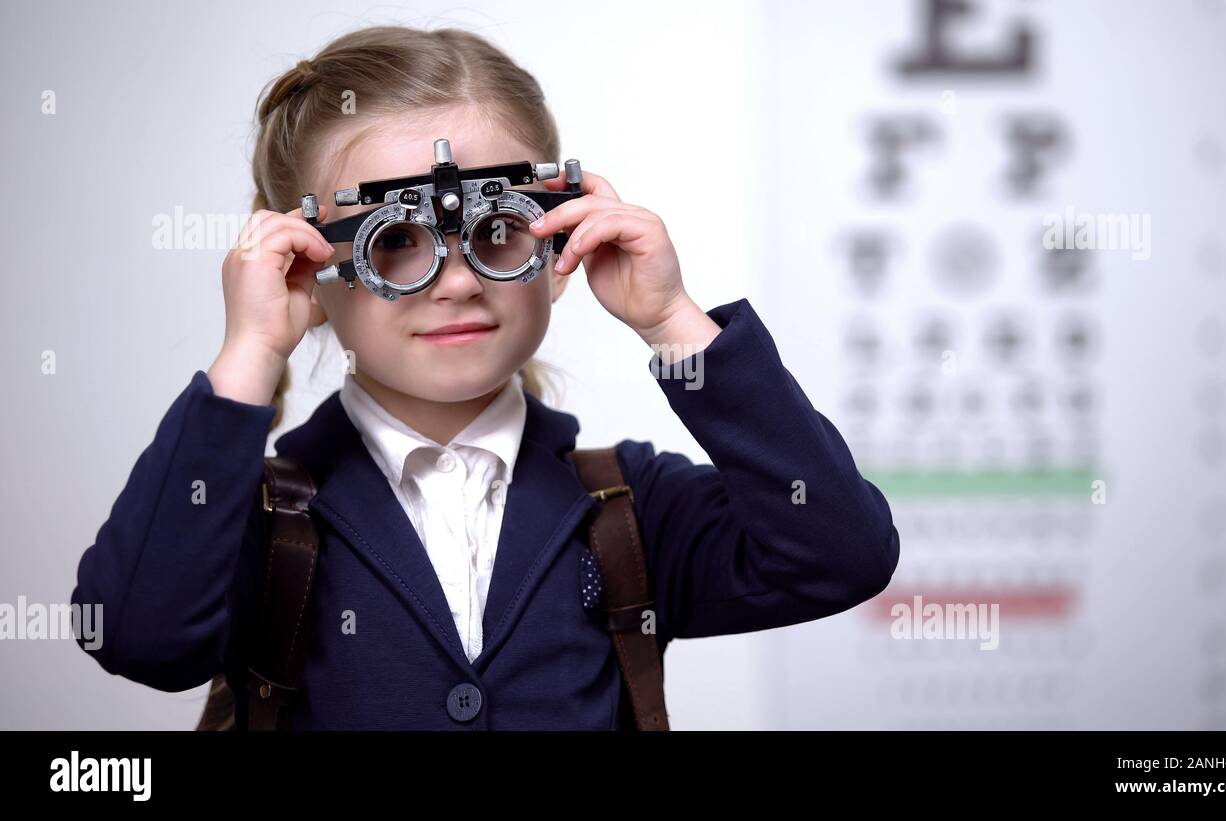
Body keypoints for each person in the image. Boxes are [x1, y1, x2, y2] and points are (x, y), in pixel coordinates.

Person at [70, 24, 900, 729]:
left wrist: (670, 318)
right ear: (310, 270)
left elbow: (840, 553)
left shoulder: (627, 512)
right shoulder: (257, 521)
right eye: (393, 242)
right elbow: (137, 637)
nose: (457, 279)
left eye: (497, 228)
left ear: (558, 243)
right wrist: (250, 350)